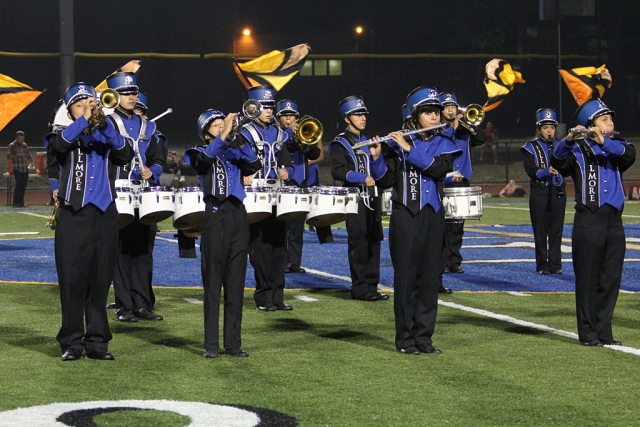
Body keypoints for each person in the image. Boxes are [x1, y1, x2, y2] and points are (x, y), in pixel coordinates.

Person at [371, 86, 461, 354]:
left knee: (430, 278)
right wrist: (377, 158)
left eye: (436, 112)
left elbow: (438, 170)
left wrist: (409, 148)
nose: (435, 117)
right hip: (405, 218)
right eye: (428, 112)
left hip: (433, 216)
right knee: (407, 279)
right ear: (415, 116)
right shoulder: (395, 145)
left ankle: (424, 337)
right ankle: (405, 339)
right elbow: (384, 180)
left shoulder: (444, 143)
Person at [49, 83, 134, 360]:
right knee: (73, 281)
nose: (88, 106)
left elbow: (125, 154)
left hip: (105, 214)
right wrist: (84, 119)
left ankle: (98, 342)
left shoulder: (108, 133)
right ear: (71, 111)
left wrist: (103, 123)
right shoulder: (62, 134)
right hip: (73, 215)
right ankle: (72, 343)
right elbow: (58, 147)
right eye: (80, 104)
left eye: (91, 102)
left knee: (100, 280)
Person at [551, 98, 635, 347]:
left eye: (610, 119)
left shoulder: (618, 146)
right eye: (605, 119)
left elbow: (628, 154)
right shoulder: (575, 149)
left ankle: (604, 331)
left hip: (614, 221)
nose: (611, 123)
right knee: (588, 278)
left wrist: (604, 140)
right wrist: (568, 139)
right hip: (589, 220)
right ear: (591, 124)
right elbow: (557, 161)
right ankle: (588, 333)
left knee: (611, 279)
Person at [186, 109, 261, 358]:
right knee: (213, 283)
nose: (222, 127)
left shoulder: (234, 150)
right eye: (217, 125)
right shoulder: (198, 152)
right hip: (215, 217)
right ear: (206, 133)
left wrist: (239, 138)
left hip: (239, 216)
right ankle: (211, 345)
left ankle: (233, 344)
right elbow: (203, 162)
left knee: (236, 282)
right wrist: (225, 133)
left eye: (224, 123)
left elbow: (255, 163)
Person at [107, 72, 165, 322]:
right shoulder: (106, 123)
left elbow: (159, 159)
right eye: (126, 93)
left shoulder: (149, 126)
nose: (132, 97)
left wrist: (153, 170)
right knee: (119, 250)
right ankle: (124, 305)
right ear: (114, 96)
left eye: (133, 92)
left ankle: (142, 304)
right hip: (118, 192)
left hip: (144, 194)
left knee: (143, 250)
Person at [241, 85, 296, 312]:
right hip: (255, 195)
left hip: (277, 194)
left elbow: (289, 164)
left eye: (271, 106)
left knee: (279, 246)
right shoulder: (244, 132)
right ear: (252, 107)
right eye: (264, 106)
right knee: (261, 247)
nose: (268, 110)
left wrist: (287, 173)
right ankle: (263, 296)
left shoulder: (279, 133)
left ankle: (277, 296)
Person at [328, 95, 388, 302]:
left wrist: (377, 158)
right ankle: (360, 288)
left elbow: (379, 175)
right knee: (359, 244)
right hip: (355, 200)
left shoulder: (368, 141)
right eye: (357, 114)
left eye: (364, 114)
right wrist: (362, 177)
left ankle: (372, 286)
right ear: (347, 118)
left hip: (373, 198)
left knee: (374, 241)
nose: (363, 118)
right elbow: (337, 171)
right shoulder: (340, 143)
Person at [439, 92, 486, 277]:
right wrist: (453, 127)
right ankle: (441, 260)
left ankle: (454, 261)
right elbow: (444, 138)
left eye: (453, 106)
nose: (451, 110)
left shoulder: (465, 130)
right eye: (447, 107)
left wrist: (466, 124)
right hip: (444, 180)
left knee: (458, 223)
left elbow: (481, 138)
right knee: (442, 223)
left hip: (462, 181)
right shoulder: (438, 129)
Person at [276, 99, 323, 274]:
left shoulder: (301, 133)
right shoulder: (276, 133)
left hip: (301, 183)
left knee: (297, 228)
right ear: (279, 118)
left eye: (292, 115)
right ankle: (281, 261)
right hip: (281, 185)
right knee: (282, 227)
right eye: (285, 115)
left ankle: (294, 262)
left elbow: (316, 153)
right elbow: (278, 146)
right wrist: (289, 132)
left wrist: (305, 141)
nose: (289, 118)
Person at [520, 108, 566, 275]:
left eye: (552, 127)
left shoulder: (562, 145)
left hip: (558, 190)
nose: (549, 131)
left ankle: (555, 264)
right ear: (539, 129)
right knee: (540, 230)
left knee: (557, 229)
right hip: (539, 191)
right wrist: (546, 171)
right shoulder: (529, 147)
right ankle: (542, 265)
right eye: (545, 127)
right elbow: (531, 170)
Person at [7, 131, 33, 207]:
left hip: (24, 168)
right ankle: (15, 202)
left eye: (22, 139)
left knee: (23, 185)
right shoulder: (12, 145)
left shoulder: (24, 145)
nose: (21, 140)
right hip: (17, 168)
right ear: (16, 138)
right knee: (19, 184)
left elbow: (28, 155)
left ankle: (21, 202)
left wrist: (31, 162)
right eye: (20, 139)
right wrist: (17, 155)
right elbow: (9, 156)